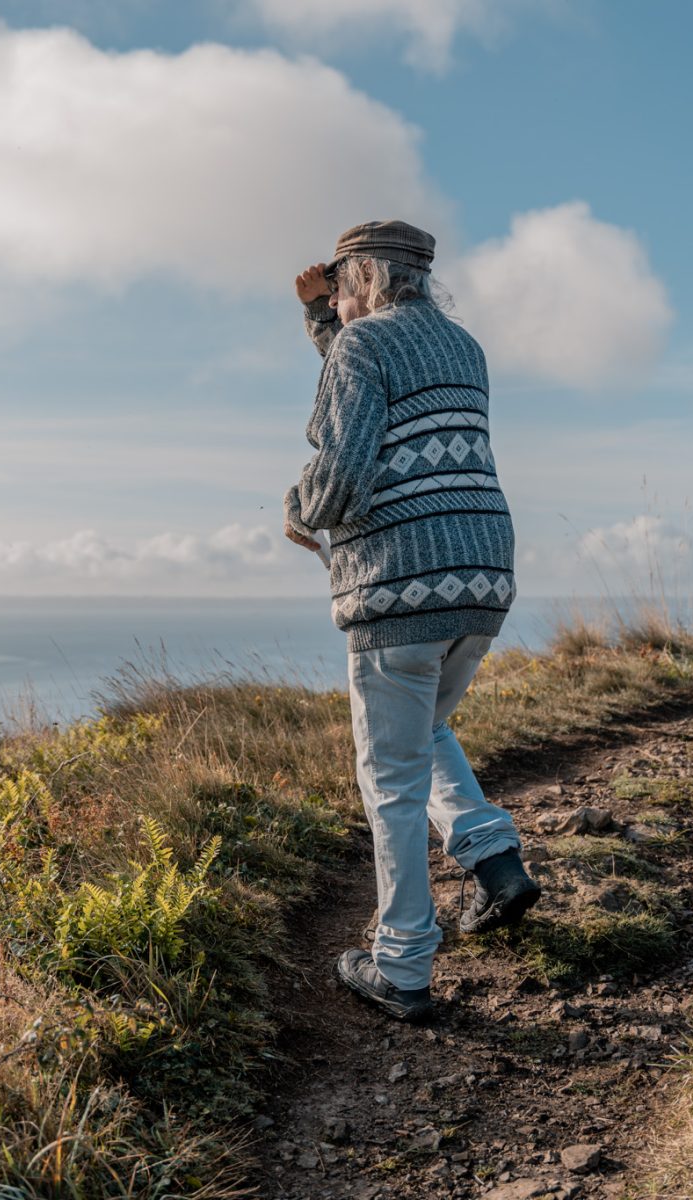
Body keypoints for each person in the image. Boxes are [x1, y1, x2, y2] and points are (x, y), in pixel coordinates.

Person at [284, 219, 541, 1022]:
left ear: (363, 276)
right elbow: (371, 373)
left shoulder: (364, 348)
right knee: (422, 729)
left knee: (387, 778)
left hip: (401, 579)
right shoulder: (463, 347)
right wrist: (325, 320)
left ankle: (402, 966)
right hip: (480, 572)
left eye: (341, 282)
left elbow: (345, 458)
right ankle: (493, 853)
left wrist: (301, 509)